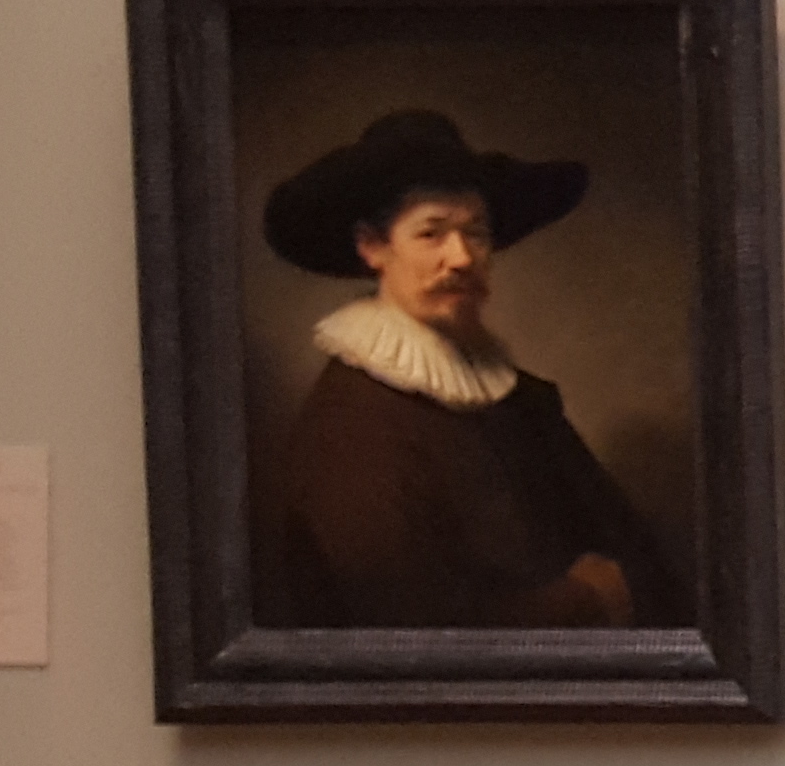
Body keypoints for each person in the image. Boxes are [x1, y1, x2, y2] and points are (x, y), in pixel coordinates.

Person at [259, 109, 684, 630]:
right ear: (373, 247)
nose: (461, 257)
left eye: (476, 233)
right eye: (431, 233)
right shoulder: (351, 424)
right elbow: (414, 628)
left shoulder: (522, 401)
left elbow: (631, 553)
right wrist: (585, 600)